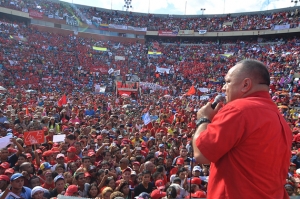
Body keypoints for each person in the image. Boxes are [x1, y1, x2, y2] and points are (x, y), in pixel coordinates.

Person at [192, 59, 293, 199]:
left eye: (228, 82)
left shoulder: (238, 109)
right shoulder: (279, 118)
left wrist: (203, 119)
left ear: (245, 84)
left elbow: (202, 154)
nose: (223, 88)